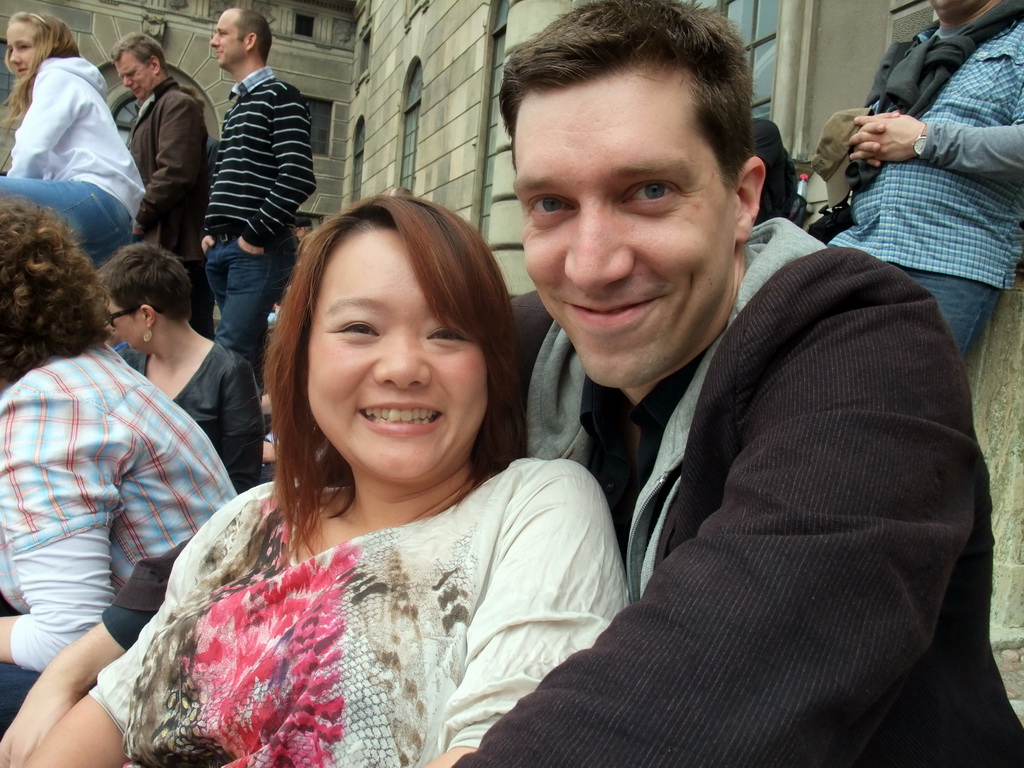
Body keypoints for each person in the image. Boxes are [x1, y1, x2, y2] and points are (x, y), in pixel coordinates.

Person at [7, 1, 1024, 765]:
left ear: (742, 196)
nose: (591, 259)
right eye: (547, 204)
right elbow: (303, 498)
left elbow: (711, 679)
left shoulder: (863, 347)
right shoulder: (532, 336)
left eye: (648, 192)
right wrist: (92, 654)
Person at [26, 195, 626, 767]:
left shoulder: (536, 507)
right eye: (361, 328)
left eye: (447, 334)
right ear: (304, 354)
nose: (403, 369)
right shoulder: (247, 518)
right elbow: (115, 710)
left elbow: (502, 745)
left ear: (490, 365)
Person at [0, 200, 234, 736]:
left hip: (174, 677)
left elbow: (70, 639)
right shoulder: (92, 373)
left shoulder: (46, 404)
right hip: (183, 635)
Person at [829, 0, 1024, 355]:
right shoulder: (912, 46)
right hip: (860, 245)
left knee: (898, 404)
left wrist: (923, 140)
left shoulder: (1019, 39)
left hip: (944, 265)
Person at [203, 7, 317, 381]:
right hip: (224, 250)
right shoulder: (236, 107)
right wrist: (210, 230)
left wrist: (253, 236)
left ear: (248, 40)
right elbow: (226, 174)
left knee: (227, 355)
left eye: (221, 32)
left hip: (256, 250)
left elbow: (298, 176)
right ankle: (253, 438)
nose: (213, 40)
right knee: (244, 360)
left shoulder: (281, 96)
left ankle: (214, 440)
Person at [97, 243, 265, 494]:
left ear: (147, 315)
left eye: (113, 317)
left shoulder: (229, 372)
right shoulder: (126, 361)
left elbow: (239, 483)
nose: (111, 327)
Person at [0, 13, 144, 266]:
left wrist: (14, 208)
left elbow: (31, 150)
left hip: (92, 198)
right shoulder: (77, 82)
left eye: (23, 47)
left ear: (49, 45)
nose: (13, 57)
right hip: (115, 216)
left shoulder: (56, 76)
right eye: (10, 48)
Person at [110, 33, 216, 339]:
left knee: (189, 339)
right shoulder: (156, 108)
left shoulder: (177, 104)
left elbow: (175, 173)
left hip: (177, 250)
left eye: (131, 73)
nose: (127, 82)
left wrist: (139, 218)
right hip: (162, 247)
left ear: (154, 64)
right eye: (122, 77)